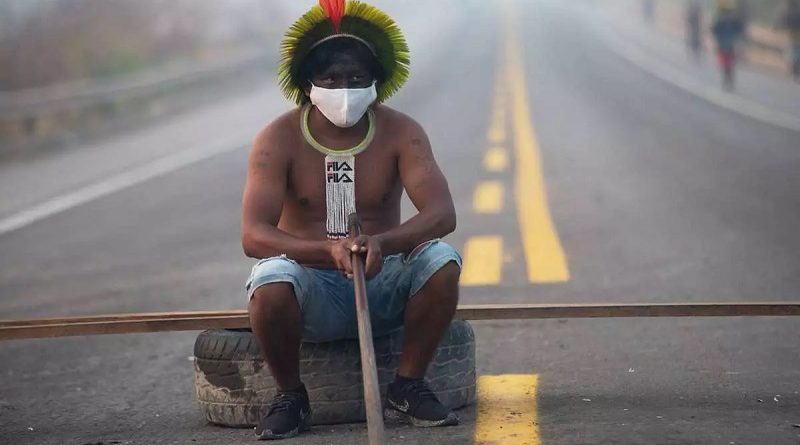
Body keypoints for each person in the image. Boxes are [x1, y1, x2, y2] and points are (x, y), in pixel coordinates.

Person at [241, 0, 461, 440]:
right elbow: (253, 235)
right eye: (332, 80)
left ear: (376, 83)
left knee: (441, 260)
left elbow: (442, 214)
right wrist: (325, 250)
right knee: (270, 279)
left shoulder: (401, 132)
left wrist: (383, 243)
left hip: (383, 282)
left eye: (358, 80)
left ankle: (408, 385)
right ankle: (291, 397)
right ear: (309, 84)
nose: (345, 90)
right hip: (312, 288)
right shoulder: (277, 138)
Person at [711, 0, 745, 89]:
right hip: (730, 45)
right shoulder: (733, 19)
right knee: (729, 64)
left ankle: (727, 80)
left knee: (726, 64)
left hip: (724, 45)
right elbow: (740, 30)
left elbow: (714, 30)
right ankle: (729, 81)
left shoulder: (720, 19)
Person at [777, 0, 800, 80]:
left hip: (793, 34)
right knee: (795, 52)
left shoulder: (792, 10)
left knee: (793, 52)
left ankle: (793, 71)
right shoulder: (796, 10)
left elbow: (785, 19)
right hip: (794, 34)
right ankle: (794, 71)